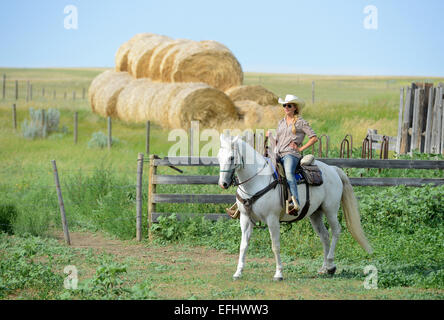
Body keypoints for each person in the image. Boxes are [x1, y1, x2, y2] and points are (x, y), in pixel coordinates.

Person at [266, 94, 318, 215]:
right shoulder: (281, 122)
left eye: (289, 105)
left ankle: (295, 202)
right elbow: (277, 142)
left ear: (295, 108)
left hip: (291, 154)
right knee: (264, 168)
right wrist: (271, 137)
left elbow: (314, 138)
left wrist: (300, 149)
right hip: (278, 153)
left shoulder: (300, 122)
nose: (286, 107)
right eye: (285, 105)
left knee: (289, 173)